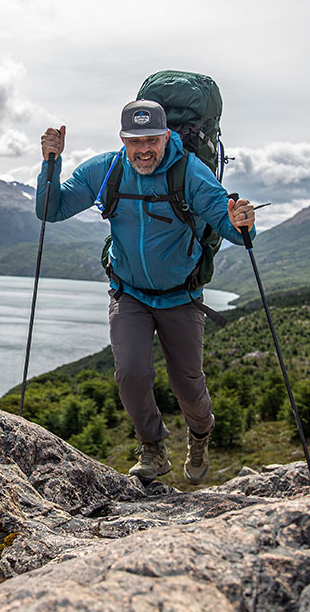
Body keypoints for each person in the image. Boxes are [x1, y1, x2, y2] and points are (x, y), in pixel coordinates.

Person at [37, 99, 256, 483]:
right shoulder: (106, 170)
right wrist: (50, 163)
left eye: (152, 139)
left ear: (166, 135)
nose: (143, 149)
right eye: (135, 141)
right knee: (131, 373)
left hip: (181, 296)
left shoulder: (189, 171)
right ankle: (153, 448)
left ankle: (201, 433)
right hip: (130, 293)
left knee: (187, 385)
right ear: (123, 139)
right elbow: (50, 209)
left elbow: (228, 223)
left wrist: (242, 223)